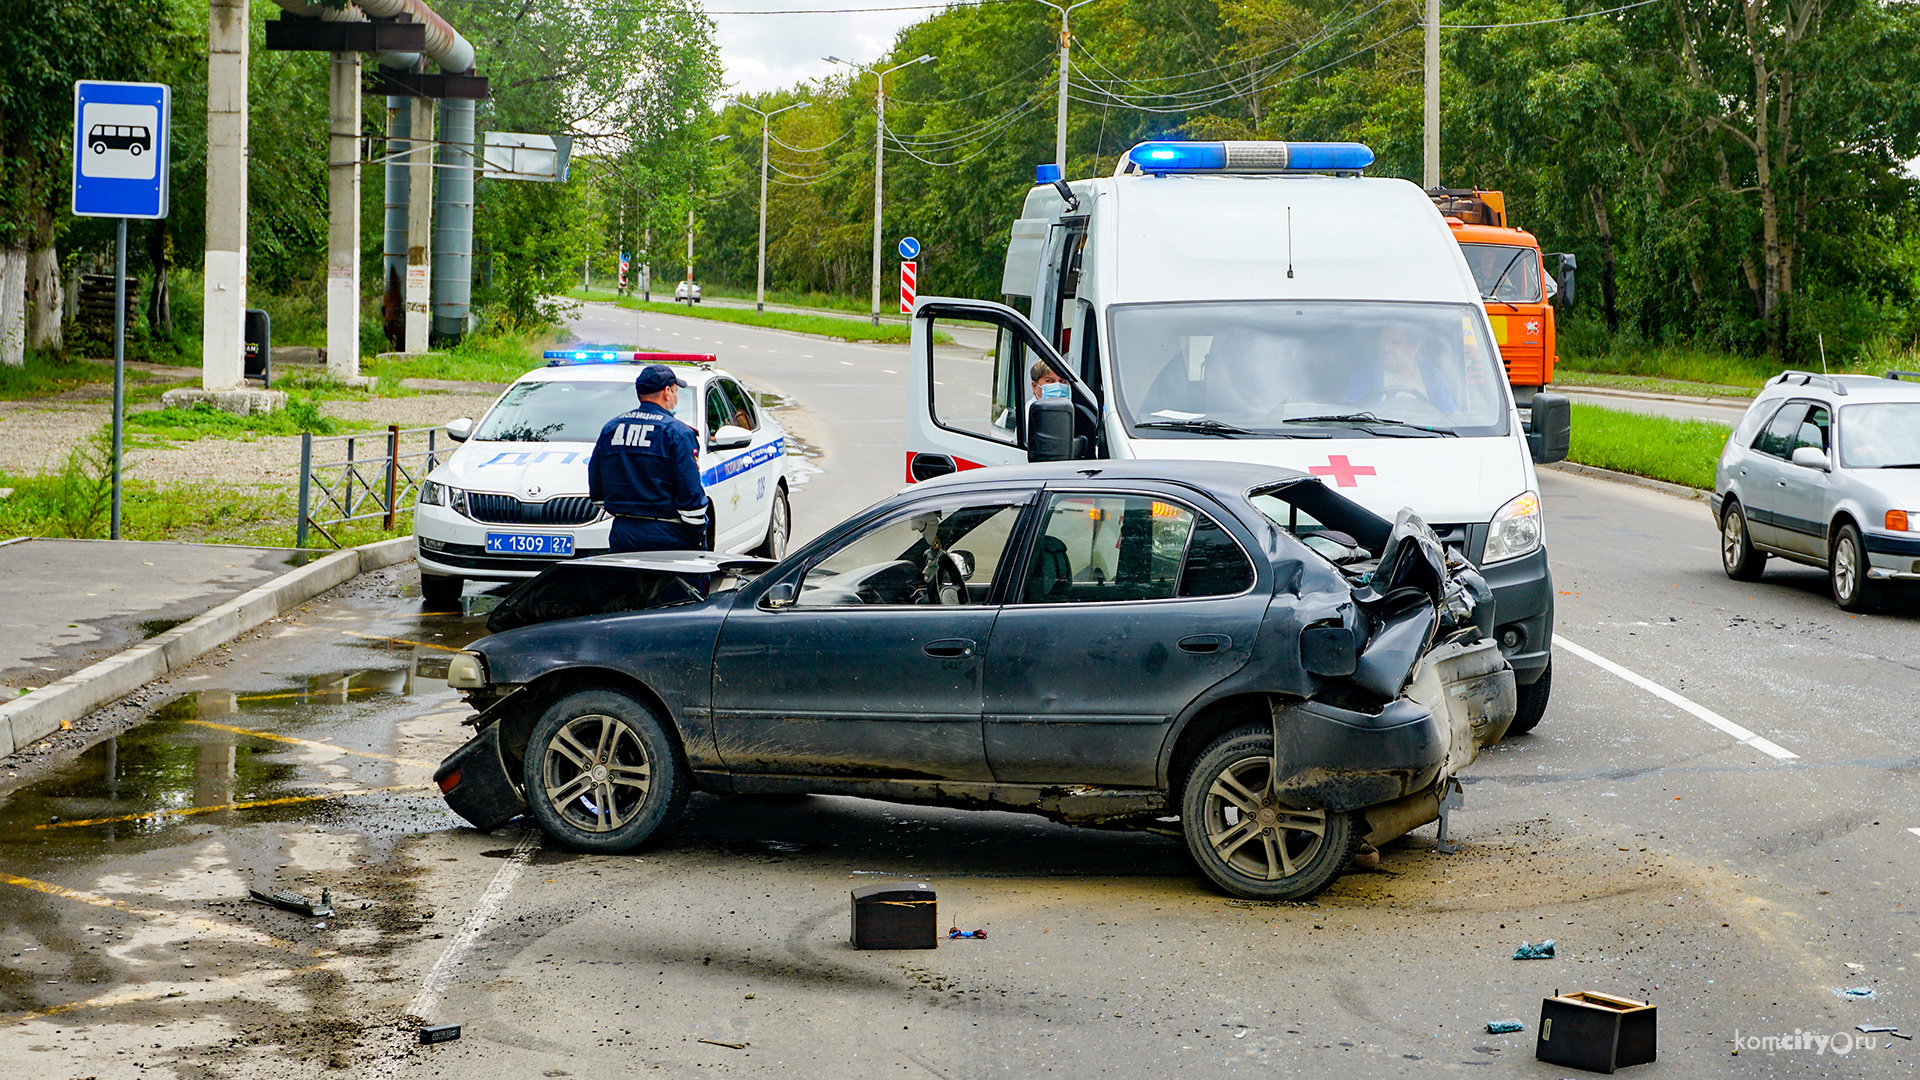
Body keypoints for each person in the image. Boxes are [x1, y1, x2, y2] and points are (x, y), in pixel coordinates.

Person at [589, 364, 710, 553]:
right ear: (667, 392)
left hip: (623, 533)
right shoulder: (677, 433)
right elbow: (691, 498)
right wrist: (698, 536)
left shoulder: (611, 429)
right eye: (676, 392)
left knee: (628, 583)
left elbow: (597, 491)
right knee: (684, 584)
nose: (676, 398)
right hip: (668, 534)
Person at [1343, 323, 1460, 411]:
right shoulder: (1366, 375)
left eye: (1395, 342)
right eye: (1384, 341)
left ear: (1414, 347)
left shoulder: (1432, 376)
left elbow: (1450, 415)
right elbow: (1348, 416)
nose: (1387, 347)